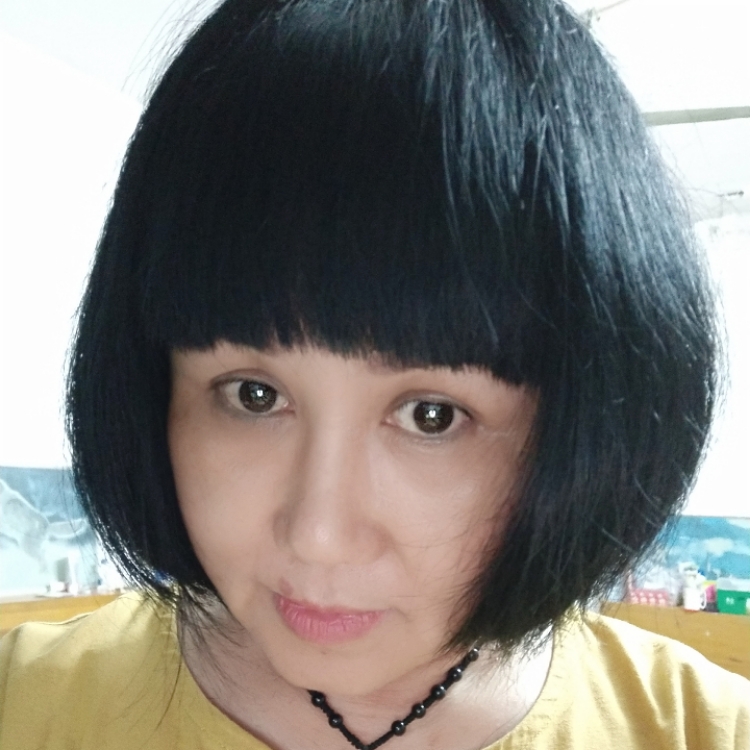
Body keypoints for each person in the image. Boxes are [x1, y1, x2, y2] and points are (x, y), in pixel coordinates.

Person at [1, 0, 748, 748]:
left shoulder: (703, 729)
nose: (319, 536)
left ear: (582, 424)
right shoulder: (25, 702)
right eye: (254, 396)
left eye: (431, 415)